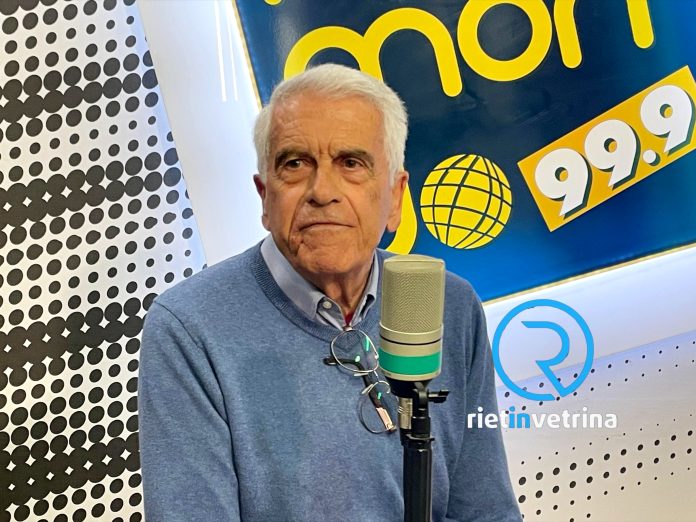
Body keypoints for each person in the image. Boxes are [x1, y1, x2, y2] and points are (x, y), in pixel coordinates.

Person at [138, 63, 521, 521]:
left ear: (396, 198)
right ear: (264, 197)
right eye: (295, 164)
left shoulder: (447, 304)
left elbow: (485, 511)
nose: (322, 191)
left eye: (351, 164)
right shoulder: (189, 329)